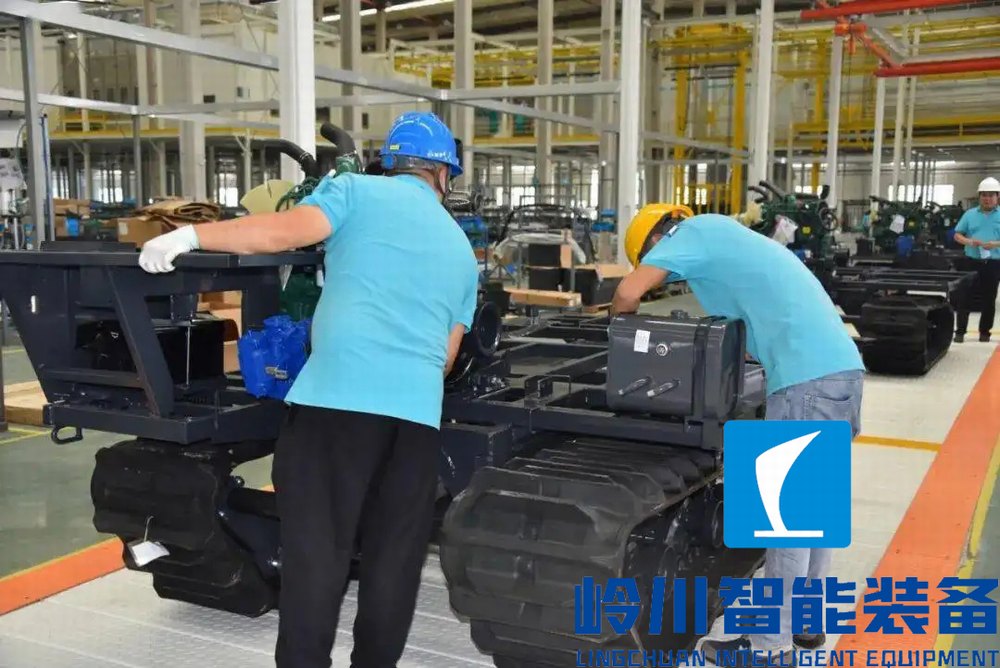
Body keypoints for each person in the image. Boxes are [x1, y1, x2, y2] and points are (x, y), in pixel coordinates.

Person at [138, 111, 480, 668]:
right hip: (417, 422)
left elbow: (279, 232)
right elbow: (445, 357)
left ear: (390, 163)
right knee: (394, 563)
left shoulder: (357, 192)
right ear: (444, 174)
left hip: (336, 408)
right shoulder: (462, 250)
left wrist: (191, 234)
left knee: (318, 557)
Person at [611, 206, 866, 668]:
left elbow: (628, 292)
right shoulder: (727, 247)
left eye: (652, 259)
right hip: (839, 370)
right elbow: (743, 342)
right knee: (813, 510)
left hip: (805, 379)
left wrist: (619, 337)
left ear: (657, 241)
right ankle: (806, 625)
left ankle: (769, 647)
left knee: (785, 519)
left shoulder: (693, 231)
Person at [951, 177, 1000, 343]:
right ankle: (960, 331)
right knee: (964, 297)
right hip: (971, 261)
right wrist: (970, 242)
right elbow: (957, 235)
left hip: (993, 263)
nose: (987, 198)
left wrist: (995, 244)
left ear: (997, 196)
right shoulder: (970, 214)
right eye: (984, 195)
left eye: (991, 195)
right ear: (979, 197)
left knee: (989, 299)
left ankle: (984, 332)